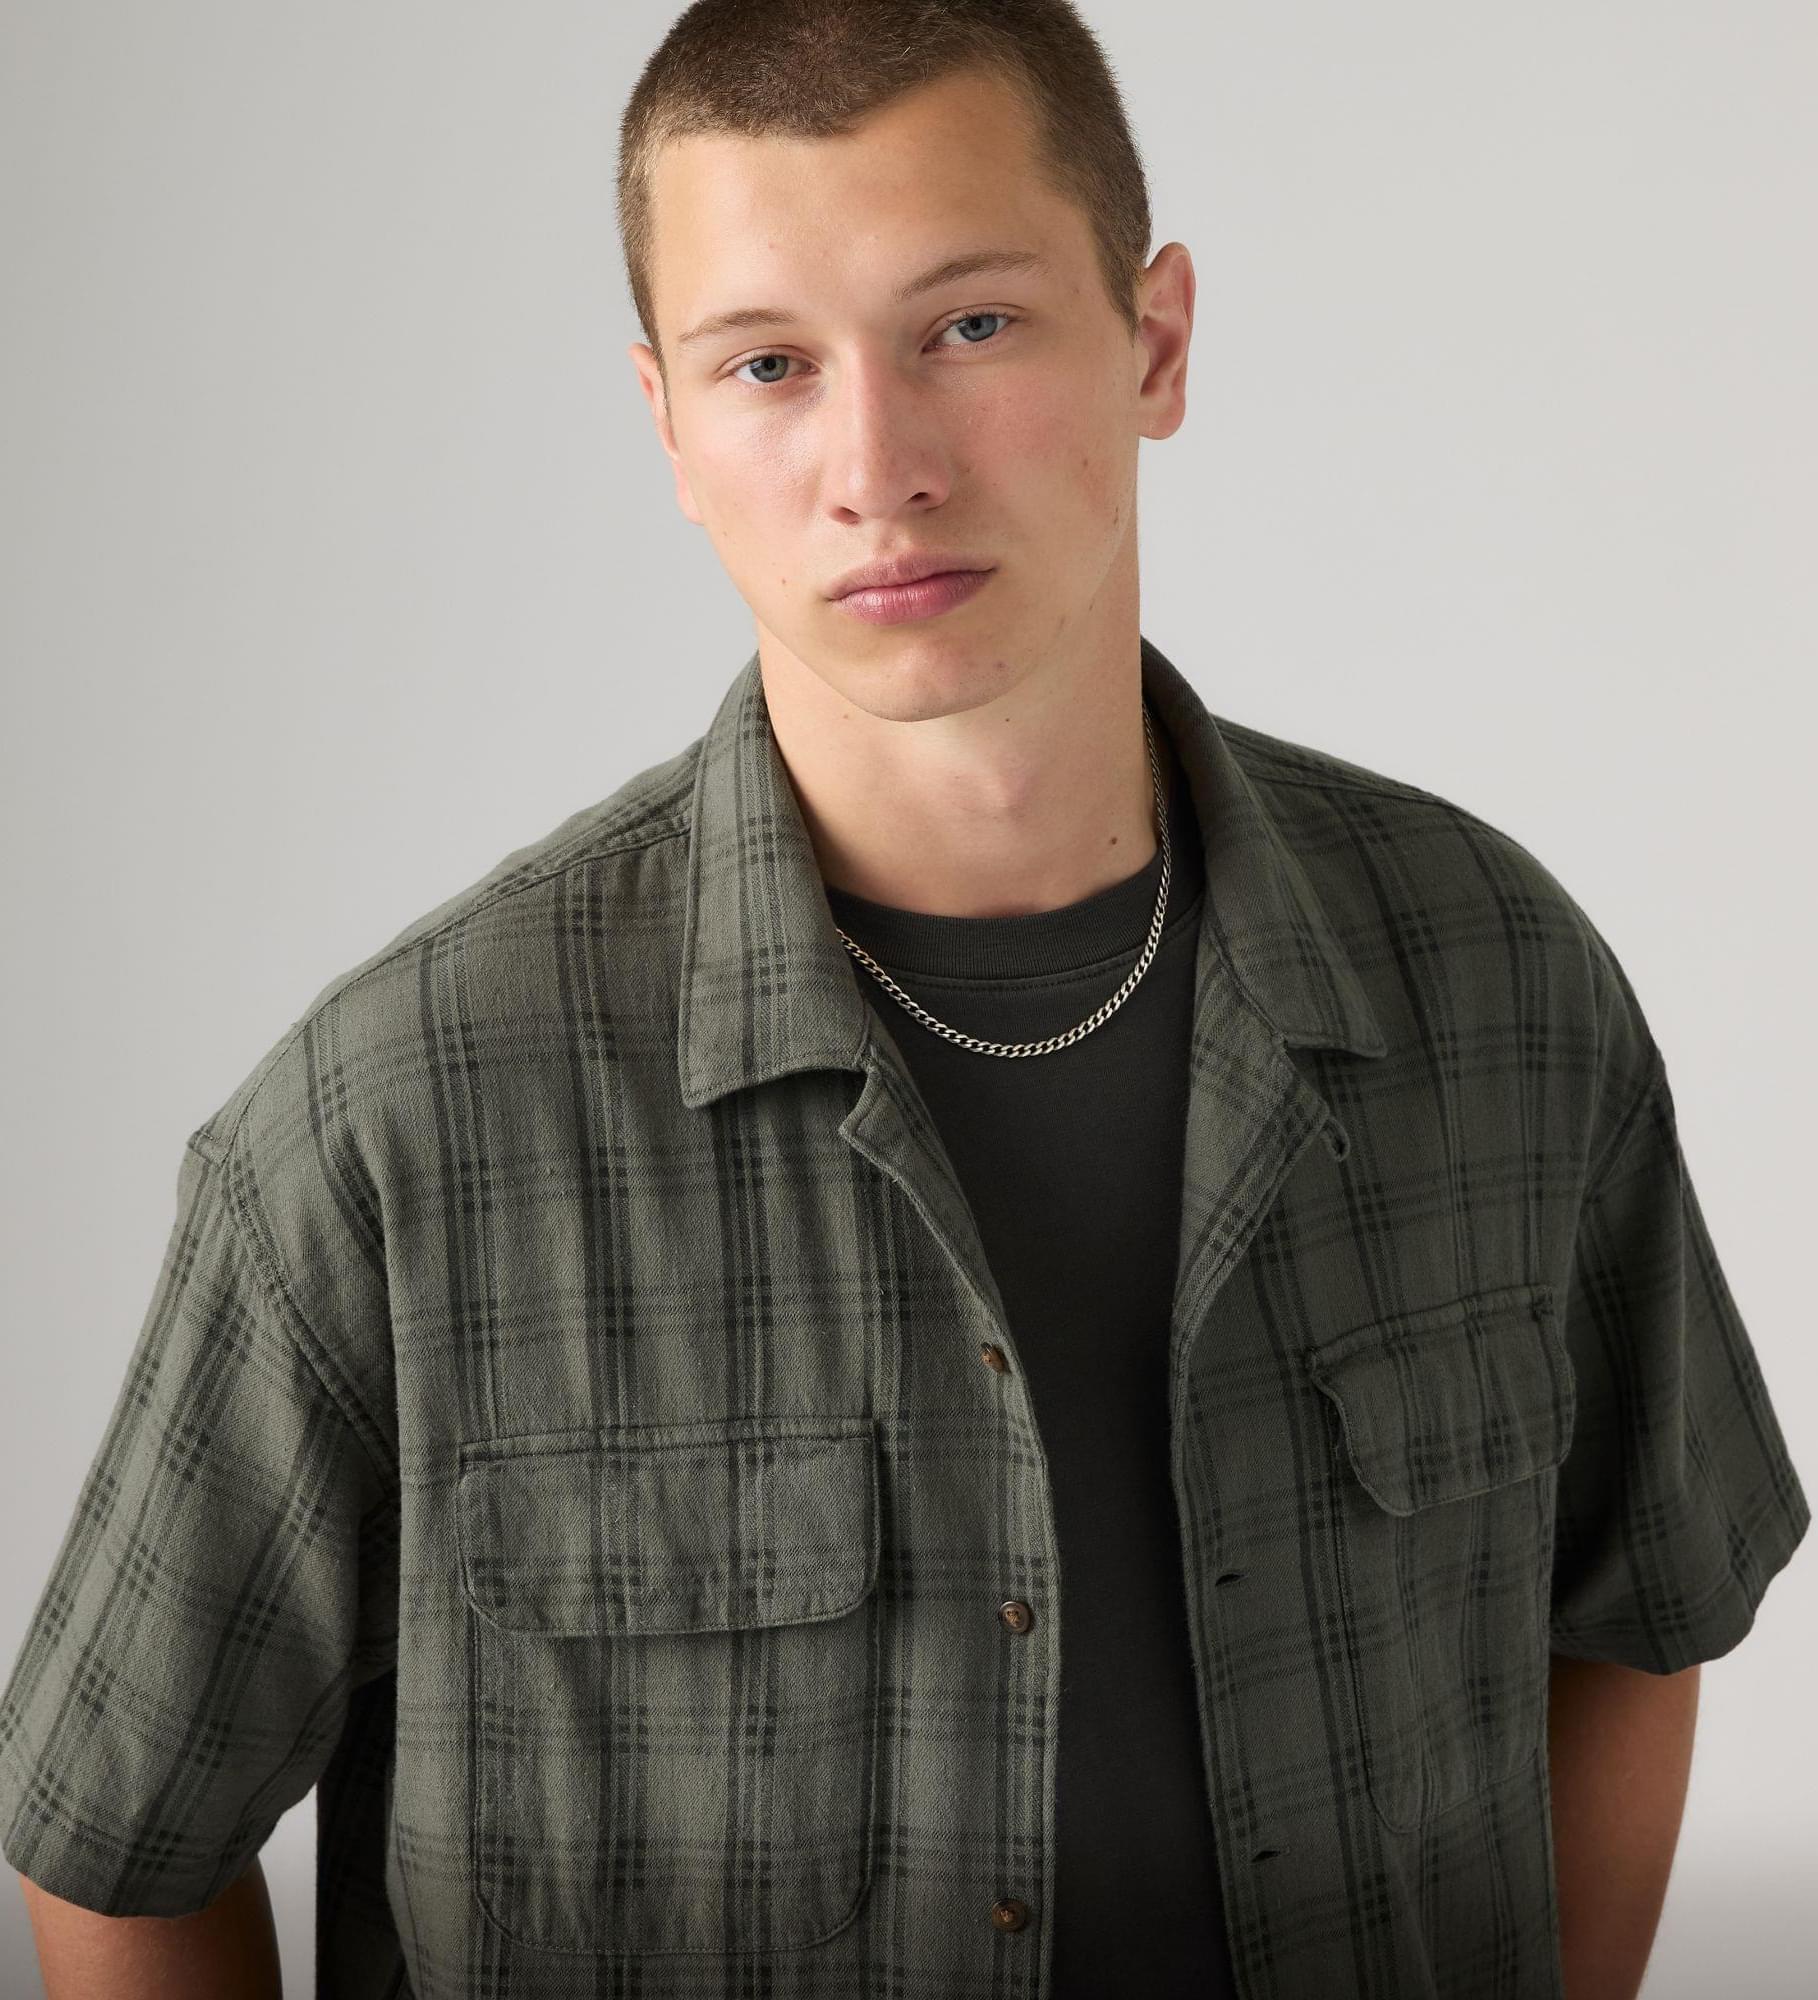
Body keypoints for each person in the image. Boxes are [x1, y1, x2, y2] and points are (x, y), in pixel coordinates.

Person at [4, 3, 1808, 1996]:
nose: (879, 469)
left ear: (1156, 343)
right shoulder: (392, 1127)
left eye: (969, 325)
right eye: (768, 365)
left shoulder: (1495, 984)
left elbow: (1641, 1612)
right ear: (671, 428)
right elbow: (117, 1844)